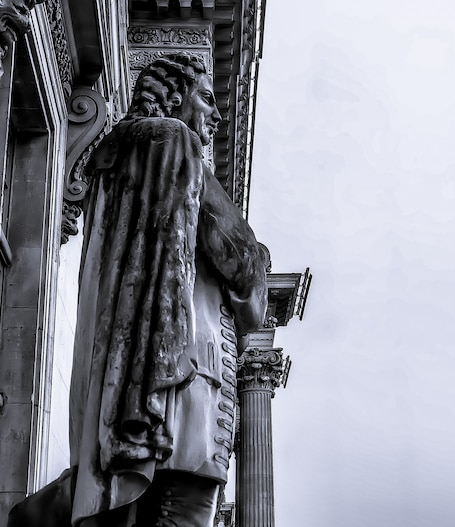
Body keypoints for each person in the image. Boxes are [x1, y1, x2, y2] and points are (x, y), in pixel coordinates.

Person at [64, 53, 267, 526]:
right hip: (181, 385)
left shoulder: (116, 156)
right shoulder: (174, 144)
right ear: (175, 97)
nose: (216, 115)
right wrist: (255, 259)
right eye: (207, 98)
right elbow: (242, 263)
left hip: (130, 385)